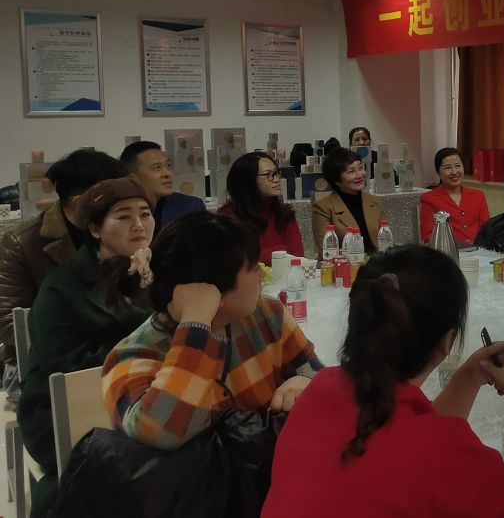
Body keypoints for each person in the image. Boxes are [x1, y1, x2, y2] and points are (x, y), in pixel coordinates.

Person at [262, 246, 504, 517]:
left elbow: (412, 440)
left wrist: (470, 375)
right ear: (447, 340)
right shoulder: (439, 450)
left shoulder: (320, 389)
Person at [102, 211, 322, 451]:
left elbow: (322, 379)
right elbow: (164, 434)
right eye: (253, 268)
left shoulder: (268, 314)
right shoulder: (131, 356)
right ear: (213, 290)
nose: (261, 275)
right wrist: (196, 323)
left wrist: (305, 381)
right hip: (196, 475)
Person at [18, 177, 156, 517]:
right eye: (123, 216)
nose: (139, 225)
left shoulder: (162, 273)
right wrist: (151, 330)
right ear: (95, 229)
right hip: (64, 409)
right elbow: (65, 366)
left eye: (145, 213)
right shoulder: (61, 287)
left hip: (147, 395)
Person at [0, 149, 128, 365]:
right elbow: (9, 322)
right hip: (50, 360)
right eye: (112, 198)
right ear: (79, 202)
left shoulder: (127, 231)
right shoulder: (23, 243)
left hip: (123, 351)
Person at [218, 152, 303, 264]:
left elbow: (297, 257)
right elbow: (234, 260)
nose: (276, 179)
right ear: (248, 180)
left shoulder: (284, 213)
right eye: (268, 174)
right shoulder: (228, 215)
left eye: (276, 173)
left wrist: (261, 256)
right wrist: (280, 251)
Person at [121, 141, 206, 236]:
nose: (167, 173)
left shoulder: (189, 208)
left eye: (168, 166)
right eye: (157, 167)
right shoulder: (118, 211)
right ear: (132, 177)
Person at [312, 147, 382, 253]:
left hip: (378, 260)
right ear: (337, 180)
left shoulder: (374, 201)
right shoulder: (323, 208)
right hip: (346, 262)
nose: (360, 175)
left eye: (360, 168)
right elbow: (326, 252)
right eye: (351, 171)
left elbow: (385, 242)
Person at [419, 147, 490, 246]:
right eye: (448, 168)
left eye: (458, 166)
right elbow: (428, 236)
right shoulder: (429, 199)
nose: (454, 172)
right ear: (438, 172)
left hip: (479, 251)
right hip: (448, 252)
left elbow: (486, 229)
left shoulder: (478, 196)